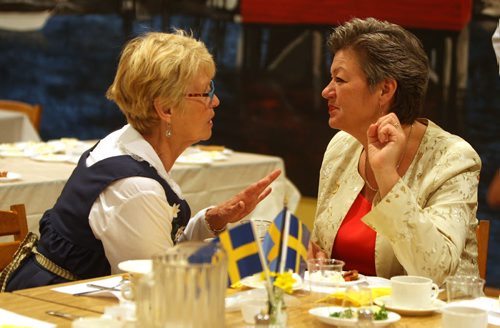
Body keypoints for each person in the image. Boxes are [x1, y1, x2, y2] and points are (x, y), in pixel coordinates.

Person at [1, 31, 281, 292]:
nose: (216, 101)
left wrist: (210, 222)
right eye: (205, 92)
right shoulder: (134, 187)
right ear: (166, 109)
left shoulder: (127, 144)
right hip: (48, 307)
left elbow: (159, 251)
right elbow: (160, 287)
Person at [308, 18, 481, 286]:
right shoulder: (342, 146)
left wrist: (387, 175)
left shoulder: (452, 158)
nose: (326, 91)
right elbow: (322, 250)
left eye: (339, 80)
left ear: (385, 89)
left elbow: (433, 272)